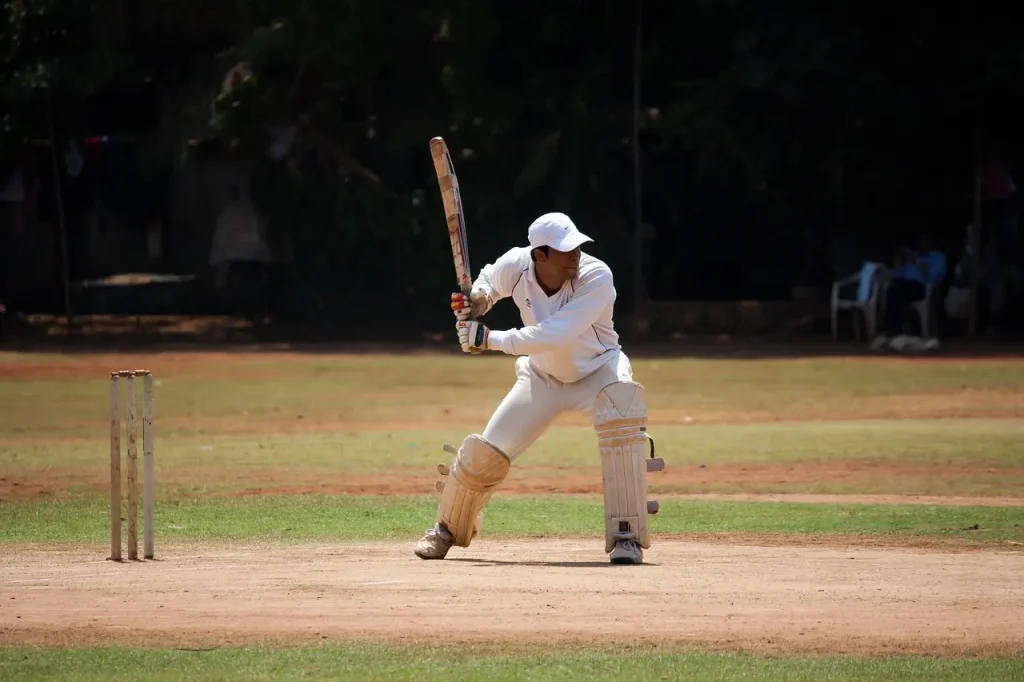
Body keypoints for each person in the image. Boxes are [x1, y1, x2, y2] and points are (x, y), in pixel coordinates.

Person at [413, 212, 663, 565]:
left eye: (577, 247)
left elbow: (554, 333)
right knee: (484, 451)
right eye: (564, 250)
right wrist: (479, 300)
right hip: (543, 378)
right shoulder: (516, 264)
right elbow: (487, 280)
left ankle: (628, 536)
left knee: (623, 414)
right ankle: (447, 529)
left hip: (598, 371)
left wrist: (487, 339)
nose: (574, 256)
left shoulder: (596, 275)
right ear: (539, 254)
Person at [872, 234, 946, 352]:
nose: (922, 244)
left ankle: (892, 333)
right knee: (893, 290)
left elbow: (933, 277)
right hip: (903, 285)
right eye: (920, 241)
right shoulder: (912, 256)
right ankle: (894, 334)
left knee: (897, 290)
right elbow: (899, 274)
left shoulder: (937, 257)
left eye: (925, 240)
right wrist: (885, 273)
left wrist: (917, 263)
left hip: (921, 287)